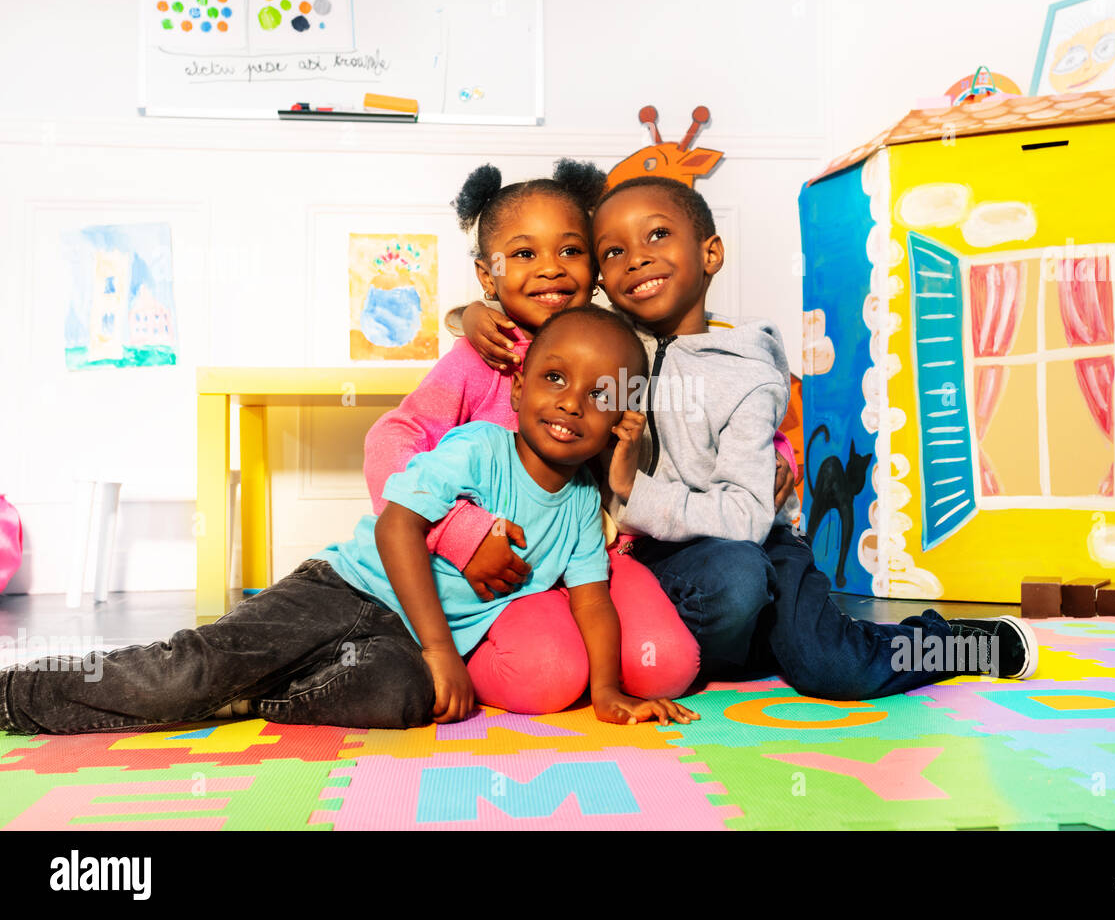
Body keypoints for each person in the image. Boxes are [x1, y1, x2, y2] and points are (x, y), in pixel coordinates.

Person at [466, 175, 1039, 700]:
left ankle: (961, 643)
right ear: (599, 276)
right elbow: (530, 312)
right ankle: (763, 637)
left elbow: (745, 517)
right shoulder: (609, 346)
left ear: (710, 253)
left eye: (657, 236)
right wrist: (472, 312)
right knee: (705, 627)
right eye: (613, 251)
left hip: (755, 541)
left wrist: (629, 491)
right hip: (654, 555)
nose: (636, 259)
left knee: (832, 666)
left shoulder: (746, 372)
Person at [0, 307, 698, 733]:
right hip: (343, 590)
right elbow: (398, 528)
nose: (572, 402)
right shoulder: (479, 450)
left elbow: (593, 600)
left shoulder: (580, 505)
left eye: (596, 394)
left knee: (402, 700)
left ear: (622, 418)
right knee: (191, 671)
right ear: (517, 387)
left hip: (397, 642)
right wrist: (442, 649)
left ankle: (249, 698)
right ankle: (18, 695)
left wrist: (607, 691)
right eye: (553, 378)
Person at [363, 160, 700, 713]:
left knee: (666, 667)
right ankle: (464, 649)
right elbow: (390, 440)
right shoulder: (480, 357)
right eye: (524, 254)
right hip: (505, 568)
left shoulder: (621, 339)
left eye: (570, 251)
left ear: (594, 265)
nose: (550, 270)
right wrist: (458, 532)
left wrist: (776, 448)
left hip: (593, 557)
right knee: (546, 678)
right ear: (487, 274)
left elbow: (702, 380)